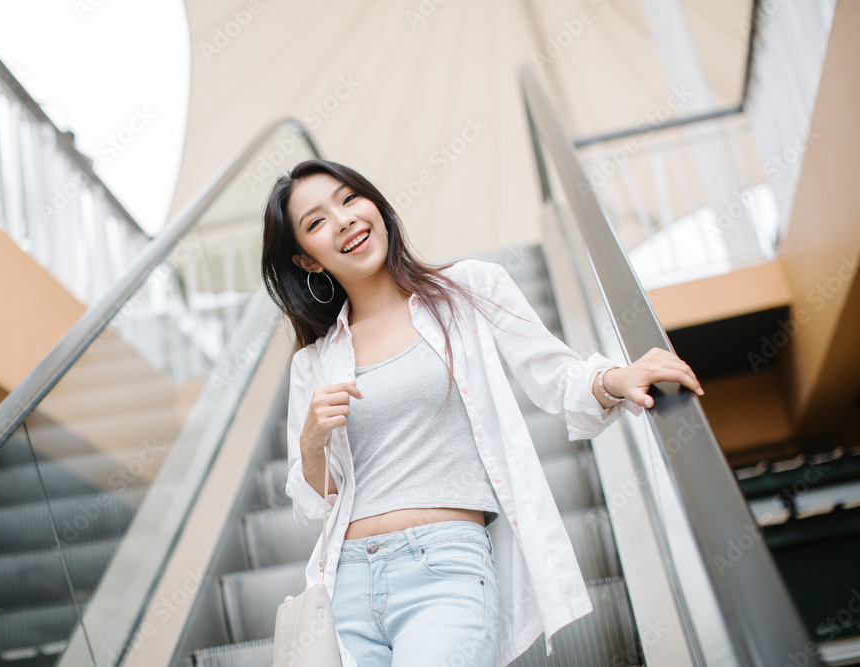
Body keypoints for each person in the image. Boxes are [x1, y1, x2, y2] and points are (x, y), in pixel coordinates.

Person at [261, 158, 703, 666]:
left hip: (445, 567)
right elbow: (313, 503)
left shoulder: (469, 290)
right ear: (306, 261)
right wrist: (311, 443)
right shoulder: (313, 363)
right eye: (316, 222)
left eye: (348, 199)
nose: (342, 220)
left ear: (374, 205)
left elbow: (556, 377)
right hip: (345, 584)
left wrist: (613, 379)